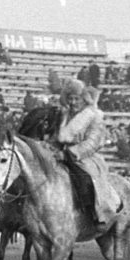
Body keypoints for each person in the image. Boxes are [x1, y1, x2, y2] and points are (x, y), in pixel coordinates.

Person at [53, 79, 111, 227]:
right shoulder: (64, 115)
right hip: (60, 152)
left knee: (85, 179)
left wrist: (68, 154)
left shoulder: (94, 117)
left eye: (76, 99)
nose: (72, 102)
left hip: (84, 157)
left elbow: (91, 143)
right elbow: (57, 137)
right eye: (70, 98)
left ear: (84, 100)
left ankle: (95, 214)